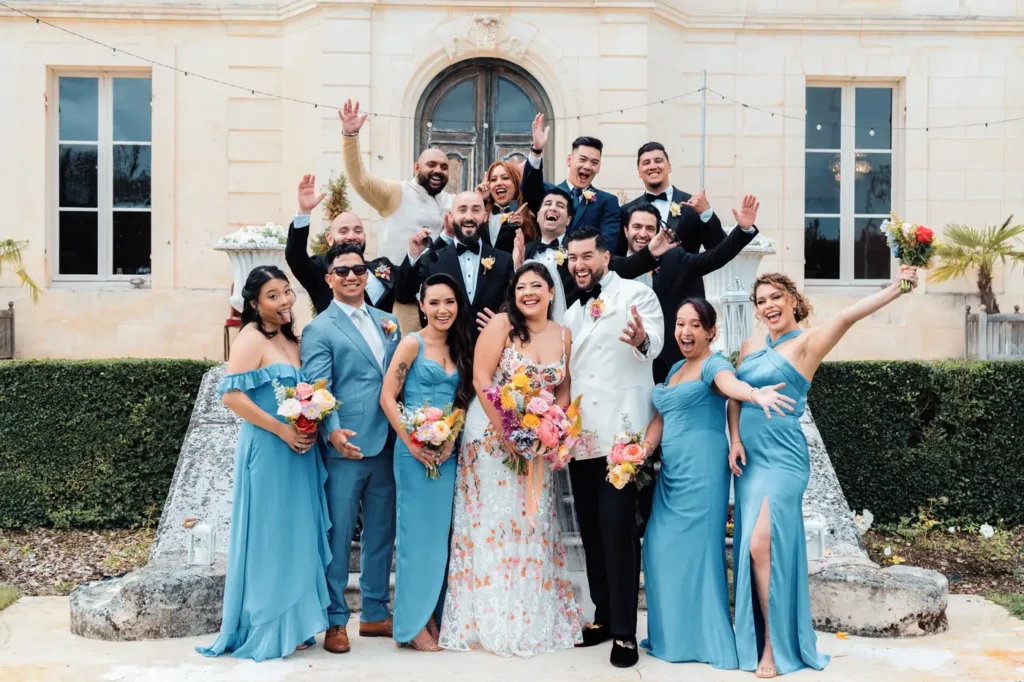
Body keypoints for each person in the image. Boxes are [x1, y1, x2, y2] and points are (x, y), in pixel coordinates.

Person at [730, 266, 918, 678]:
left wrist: (896, 289)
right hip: (749, 460)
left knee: (762, 544)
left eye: (775, 297)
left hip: (783, 459)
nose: (768, 306)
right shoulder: (749, 344)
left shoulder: (808, 343)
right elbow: (735, 397)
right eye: (761, 301)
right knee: (752, 547)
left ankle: (772, 647)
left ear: (793, 300)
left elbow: (849, 314)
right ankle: (759, 636)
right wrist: (735, 440)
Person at [438, 263, 584, 657]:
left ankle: (530, 614)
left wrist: (551, 429)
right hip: (490, 437)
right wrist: (509, 431)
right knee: (495, 523)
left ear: (552, 292)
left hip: (536, 443)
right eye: (521, 286)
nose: (529, 292)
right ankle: (487, 617)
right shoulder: (502, 324)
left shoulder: (564, 334)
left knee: (532, 523)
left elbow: (564, 389)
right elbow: (482, 378)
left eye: (537, 285)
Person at [639, 299, 793, 669]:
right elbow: (662, 417)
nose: (685, 332)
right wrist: (638, 451)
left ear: (711, 331)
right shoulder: (676, 366)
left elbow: (730, 385)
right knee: (658, 549)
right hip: (672, 473)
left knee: (699, 556)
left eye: (695, 325)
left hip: (703, 470)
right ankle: (673, 636)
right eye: (680, 324)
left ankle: (708, 641)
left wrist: (755, 394)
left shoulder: (714, 363)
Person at [196, 266, 330, 662]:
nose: (285, 301)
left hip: (300, 451)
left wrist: (310, 423)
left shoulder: (292, 337)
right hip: (270, 448)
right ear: (254, 303)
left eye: (287, 292)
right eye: (273, 295)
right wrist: (283, 430)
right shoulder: (249, 338)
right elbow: (232, 397)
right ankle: (269, 623)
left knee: (298, 532)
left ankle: (297, 621)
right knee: (271, 535)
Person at [562, 226, 663, 668]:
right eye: (572, 258)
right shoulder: (570, 312)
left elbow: (654, 344)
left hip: (623, 435)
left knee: (619, 529)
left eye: (586, 256)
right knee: (591, 531)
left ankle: (625, 631)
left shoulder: (638, 295)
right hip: (583, 437)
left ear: (606, 255)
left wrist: (641, 339)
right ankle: (602, 615)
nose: (579, 265)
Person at [300, 243, 403, 654]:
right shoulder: (319, 329)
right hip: (346, 446)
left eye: (357, 269)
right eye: (341, 271)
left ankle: (376, 613)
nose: (350, 277)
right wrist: (334, 432)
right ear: (329, 279)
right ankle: (335, 619)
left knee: (381, 533)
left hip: (390, 442)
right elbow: (318, 390)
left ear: (367, 274)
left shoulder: (388, 321)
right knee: (339, 535)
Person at [379, 273, 475, 652]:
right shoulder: (410, 344)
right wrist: (413, 442)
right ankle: (411, 624)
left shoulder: (460, 346)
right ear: (421, 306)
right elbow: (388, 398)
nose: (442, 309)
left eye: (449, 302)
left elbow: (462, 401)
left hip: (446, 455)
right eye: (434, 302)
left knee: (439, 541)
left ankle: (431, 614)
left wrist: (450, 437)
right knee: (417, 540)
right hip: (413, 453)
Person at [620, 198, 762, 385]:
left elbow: (714, 258)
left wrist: (743, 230)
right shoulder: (613, 265)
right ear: (626, 230)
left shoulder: (674, 259)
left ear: (657, 233)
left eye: (649, 228)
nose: (642, 234)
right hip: (623, 362)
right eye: (637, 227)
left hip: (667, 363)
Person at [339, 99, 453, 330]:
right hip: (401, 301)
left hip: (441, 302)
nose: (438, 171)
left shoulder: (451, 201)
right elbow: (360, 180)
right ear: (416, 168)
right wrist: (350, 138)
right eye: (431, 164)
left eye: (443, 166)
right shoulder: (396, 192)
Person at [513, 187, 676, 314]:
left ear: (569, 219)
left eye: (560, 205)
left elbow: (623, 266)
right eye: (548, 204)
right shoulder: (523, 250)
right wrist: (518, 269)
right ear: (539, 214)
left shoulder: (581, 246)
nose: (553, 208)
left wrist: (651, 252)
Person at [396, 191, 515, 334]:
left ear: (485, 216)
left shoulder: (505, 260)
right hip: (444, 350)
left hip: (491, 348)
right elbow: (403, 295)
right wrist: (414, 256)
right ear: (451, 216)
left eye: (476, 210)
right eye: (462, 210)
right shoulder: (433, 260)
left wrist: (501, 322)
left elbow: (513, 304)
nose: (469, 217)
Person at [286, 174, 400, 314]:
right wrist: (304, 212)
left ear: (364, 236)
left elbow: (408, 283)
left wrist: (416, 253)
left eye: (357, 231)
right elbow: (295, 256)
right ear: (329, 239)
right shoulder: (321, 267)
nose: (351, 236)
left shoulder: (382, 266)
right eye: (343, 231)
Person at [520, 114, 621, 250]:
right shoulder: (549, 193)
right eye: (582, 159)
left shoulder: (607, 202)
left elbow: (607, 243)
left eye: (594, 162)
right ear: (569, 160)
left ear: (599, 167)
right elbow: (528, 189)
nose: (587, 166)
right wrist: (536, 151)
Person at [618, 142, 726, 270]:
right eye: (646, 163)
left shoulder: (692, 206)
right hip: (640, 286)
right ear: (639, 172)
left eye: (658, 161)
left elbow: (719, 250)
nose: (652, 166)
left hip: (685, 287)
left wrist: (706, 213)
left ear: (669, 167)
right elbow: (618, 257)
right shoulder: (625, 211)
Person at [475, 160, 538, 253]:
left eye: (505, 178)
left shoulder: (529, 217)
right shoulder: (482, 214)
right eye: (493, 180)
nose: (499, 183)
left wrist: (523, 226)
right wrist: (479, 200)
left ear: (516, 184)